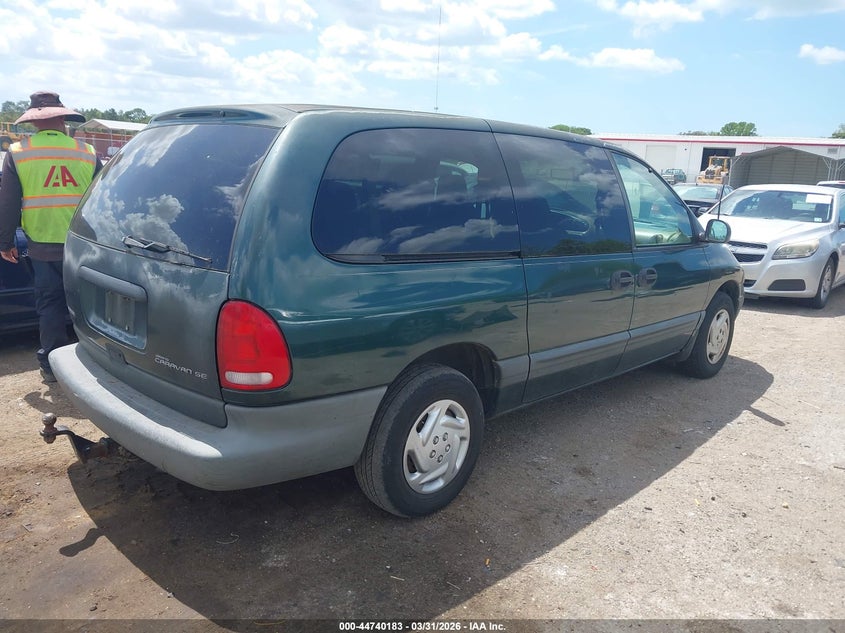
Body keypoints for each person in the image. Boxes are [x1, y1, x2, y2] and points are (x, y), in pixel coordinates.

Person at [0, 91, 102, 383]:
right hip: (83, 245)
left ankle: (53, 366)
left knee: (50, 305)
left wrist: (5, 242)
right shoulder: (87, 151)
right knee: (88, 305)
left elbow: (8, 202)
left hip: (42, 246)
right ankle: (95, 361)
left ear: (34, 122)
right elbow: (101, 198)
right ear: (62, 119)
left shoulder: (18, 152)